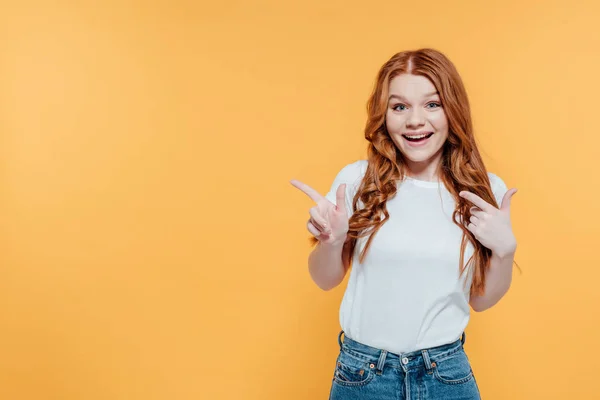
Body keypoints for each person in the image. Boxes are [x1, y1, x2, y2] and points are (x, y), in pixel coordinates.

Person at [290, 48, 518, 399]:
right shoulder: (357, 181)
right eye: (399, 107)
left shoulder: (482, 190)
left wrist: (505, 251)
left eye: (431, 104)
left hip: (446, 374)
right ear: (384, 115)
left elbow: (482, 300)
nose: (415, 121)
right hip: (362, 375)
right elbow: (325, 279)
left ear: (453, 110)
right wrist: (332, 242)